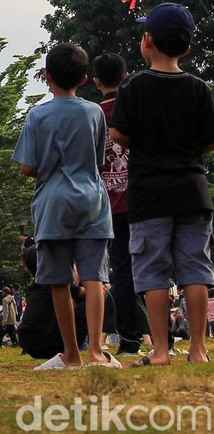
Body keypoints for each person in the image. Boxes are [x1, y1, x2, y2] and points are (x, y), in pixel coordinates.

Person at [110, 3, 214, 366]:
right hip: (192, 188)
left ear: (148, 41)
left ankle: (159, 350)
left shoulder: (134, 87)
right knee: (195, 268)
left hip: (149, 191)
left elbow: (119, 134)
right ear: (185, 48)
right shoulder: (199, 88)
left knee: (152, 270)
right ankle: (199, 350)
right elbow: (208, 141)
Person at [13, 42, 118, 370]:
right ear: (85, 78)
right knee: (94, 277)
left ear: (46, 76)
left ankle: (70, 354)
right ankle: (97, 353)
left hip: (53, 203)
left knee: (58, 279)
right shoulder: (94, 112)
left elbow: (27, 167)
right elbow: (98, 159)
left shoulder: (37, 115)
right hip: (92, 200)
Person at [93, 52, 147, 356]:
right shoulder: (137, 110)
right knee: (154, 267)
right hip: (142, 198)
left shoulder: (94, 115)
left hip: (110, 206)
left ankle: (129, 339)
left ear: (97, 81)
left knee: (122, 272)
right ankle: (160, 335)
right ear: (125, 75)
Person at [18, 245, 88, 361]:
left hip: (28, 343)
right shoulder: (55, 284)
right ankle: (75, 347)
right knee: (88, 307)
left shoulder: (33, 288)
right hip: (49, 344)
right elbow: (87, 294)